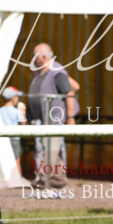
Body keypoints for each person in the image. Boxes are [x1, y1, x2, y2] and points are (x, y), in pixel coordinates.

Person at [27, 43, 79, 188]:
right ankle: (56, 179)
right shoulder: (41, 73)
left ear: (43, 57)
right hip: (43, 119)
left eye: (34, 55)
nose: (32, 58)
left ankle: (46, 180)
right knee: (49, 149)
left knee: (52, 148)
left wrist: (70, 117)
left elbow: (70, 93)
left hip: (55, 118)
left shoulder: (57, 73)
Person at [0, 86, 26, 174]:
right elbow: (23, 124)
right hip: (14, 138)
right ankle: (18, 179)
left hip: (2, 138)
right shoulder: (17, 111)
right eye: (17, 96)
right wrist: (23, 113)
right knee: (16, 159)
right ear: (13, 98)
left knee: (3, 158)